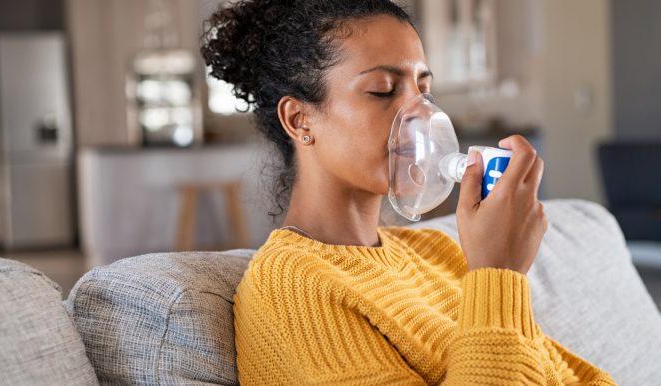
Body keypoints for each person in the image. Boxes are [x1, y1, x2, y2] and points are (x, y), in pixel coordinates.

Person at [200, 1, 616, 384]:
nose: (419, 117)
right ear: (299, 119)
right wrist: (498, 273)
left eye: (424, 91)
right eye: (383, 90)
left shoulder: (436, 251)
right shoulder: (291, 289)